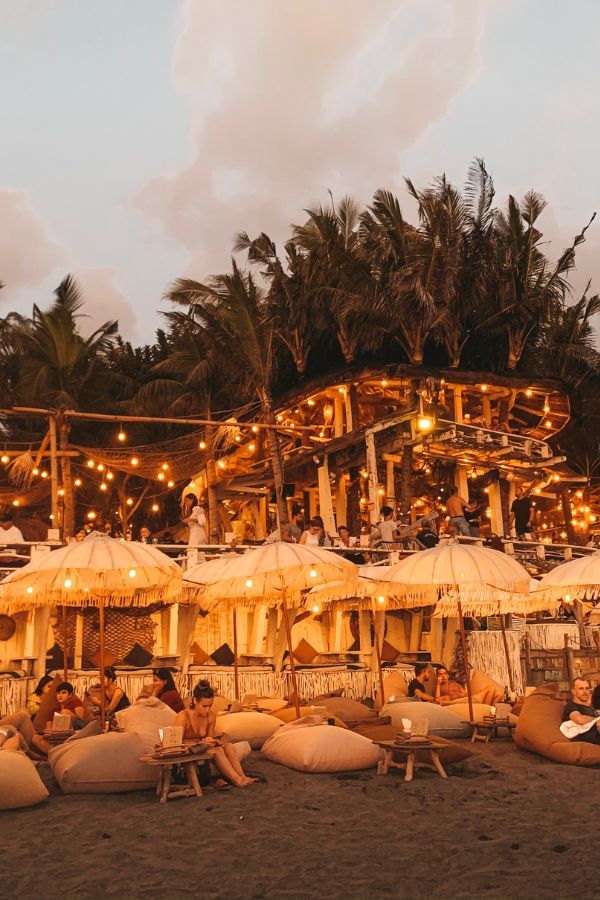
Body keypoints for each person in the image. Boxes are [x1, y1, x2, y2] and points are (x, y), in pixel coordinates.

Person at [174, 680, 258, 787]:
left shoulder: (211, 716)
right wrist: (198, 744)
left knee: (229, 746)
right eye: (204, 706)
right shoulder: (184, 716)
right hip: (187, 749)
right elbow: (176, 743)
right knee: (217, 751)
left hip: (202, 747)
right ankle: (237, 780)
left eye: (210, 706)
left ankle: (242, 776)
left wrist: (211, 741)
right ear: (195, 701)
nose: (208, 709)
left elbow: (210, 737)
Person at [562, 677, 600, 745]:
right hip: (586, 736)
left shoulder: (592, 707)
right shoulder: (571, 706)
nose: (585, 692)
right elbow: (579, 719)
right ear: (573, 691)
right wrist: (597, 719)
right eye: (581, 689)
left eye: (587, 688)